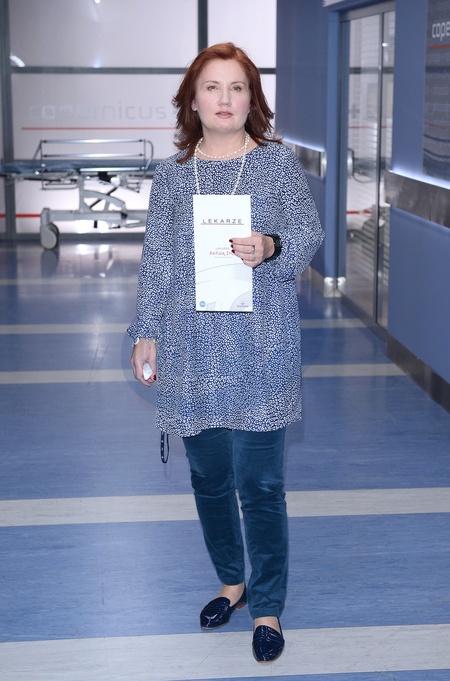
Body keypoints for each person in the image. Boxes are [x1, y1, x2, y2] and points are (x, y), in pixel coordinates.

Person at [128, 42, 324, 663]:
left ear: (251, 100)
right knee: (209, 480)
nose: (224, 99)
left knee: (261, 484)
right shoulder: (172, 177)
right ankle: (231, 583)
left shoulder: (276, 163)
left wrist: (271, 245)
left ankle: (267, 606)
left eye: (237, 88)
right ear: (192, 99)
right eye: (211, 87)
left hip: (261, 346)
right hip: (190, 351)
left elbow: (309, 232)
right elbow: (157, 262)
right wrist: (145, 331)